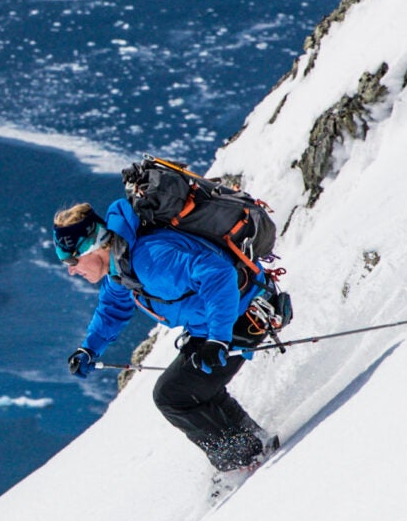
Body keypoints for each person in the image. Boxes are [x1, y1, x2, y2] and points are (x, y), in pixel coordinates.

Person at [53, 198, 271, 473]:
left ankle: (245, 462)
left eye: (72, 259)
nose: (71, 269)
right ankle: (256, 448)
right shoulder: (121, 268)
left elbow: (218, 274)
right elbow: (112, 310)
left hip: (244, 314)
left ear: (92, 246)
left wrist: (217, 338)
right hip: (220, 322)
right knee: (193, 389)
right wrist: (89, 349)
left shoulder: (149, 259)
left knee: (172, 394)